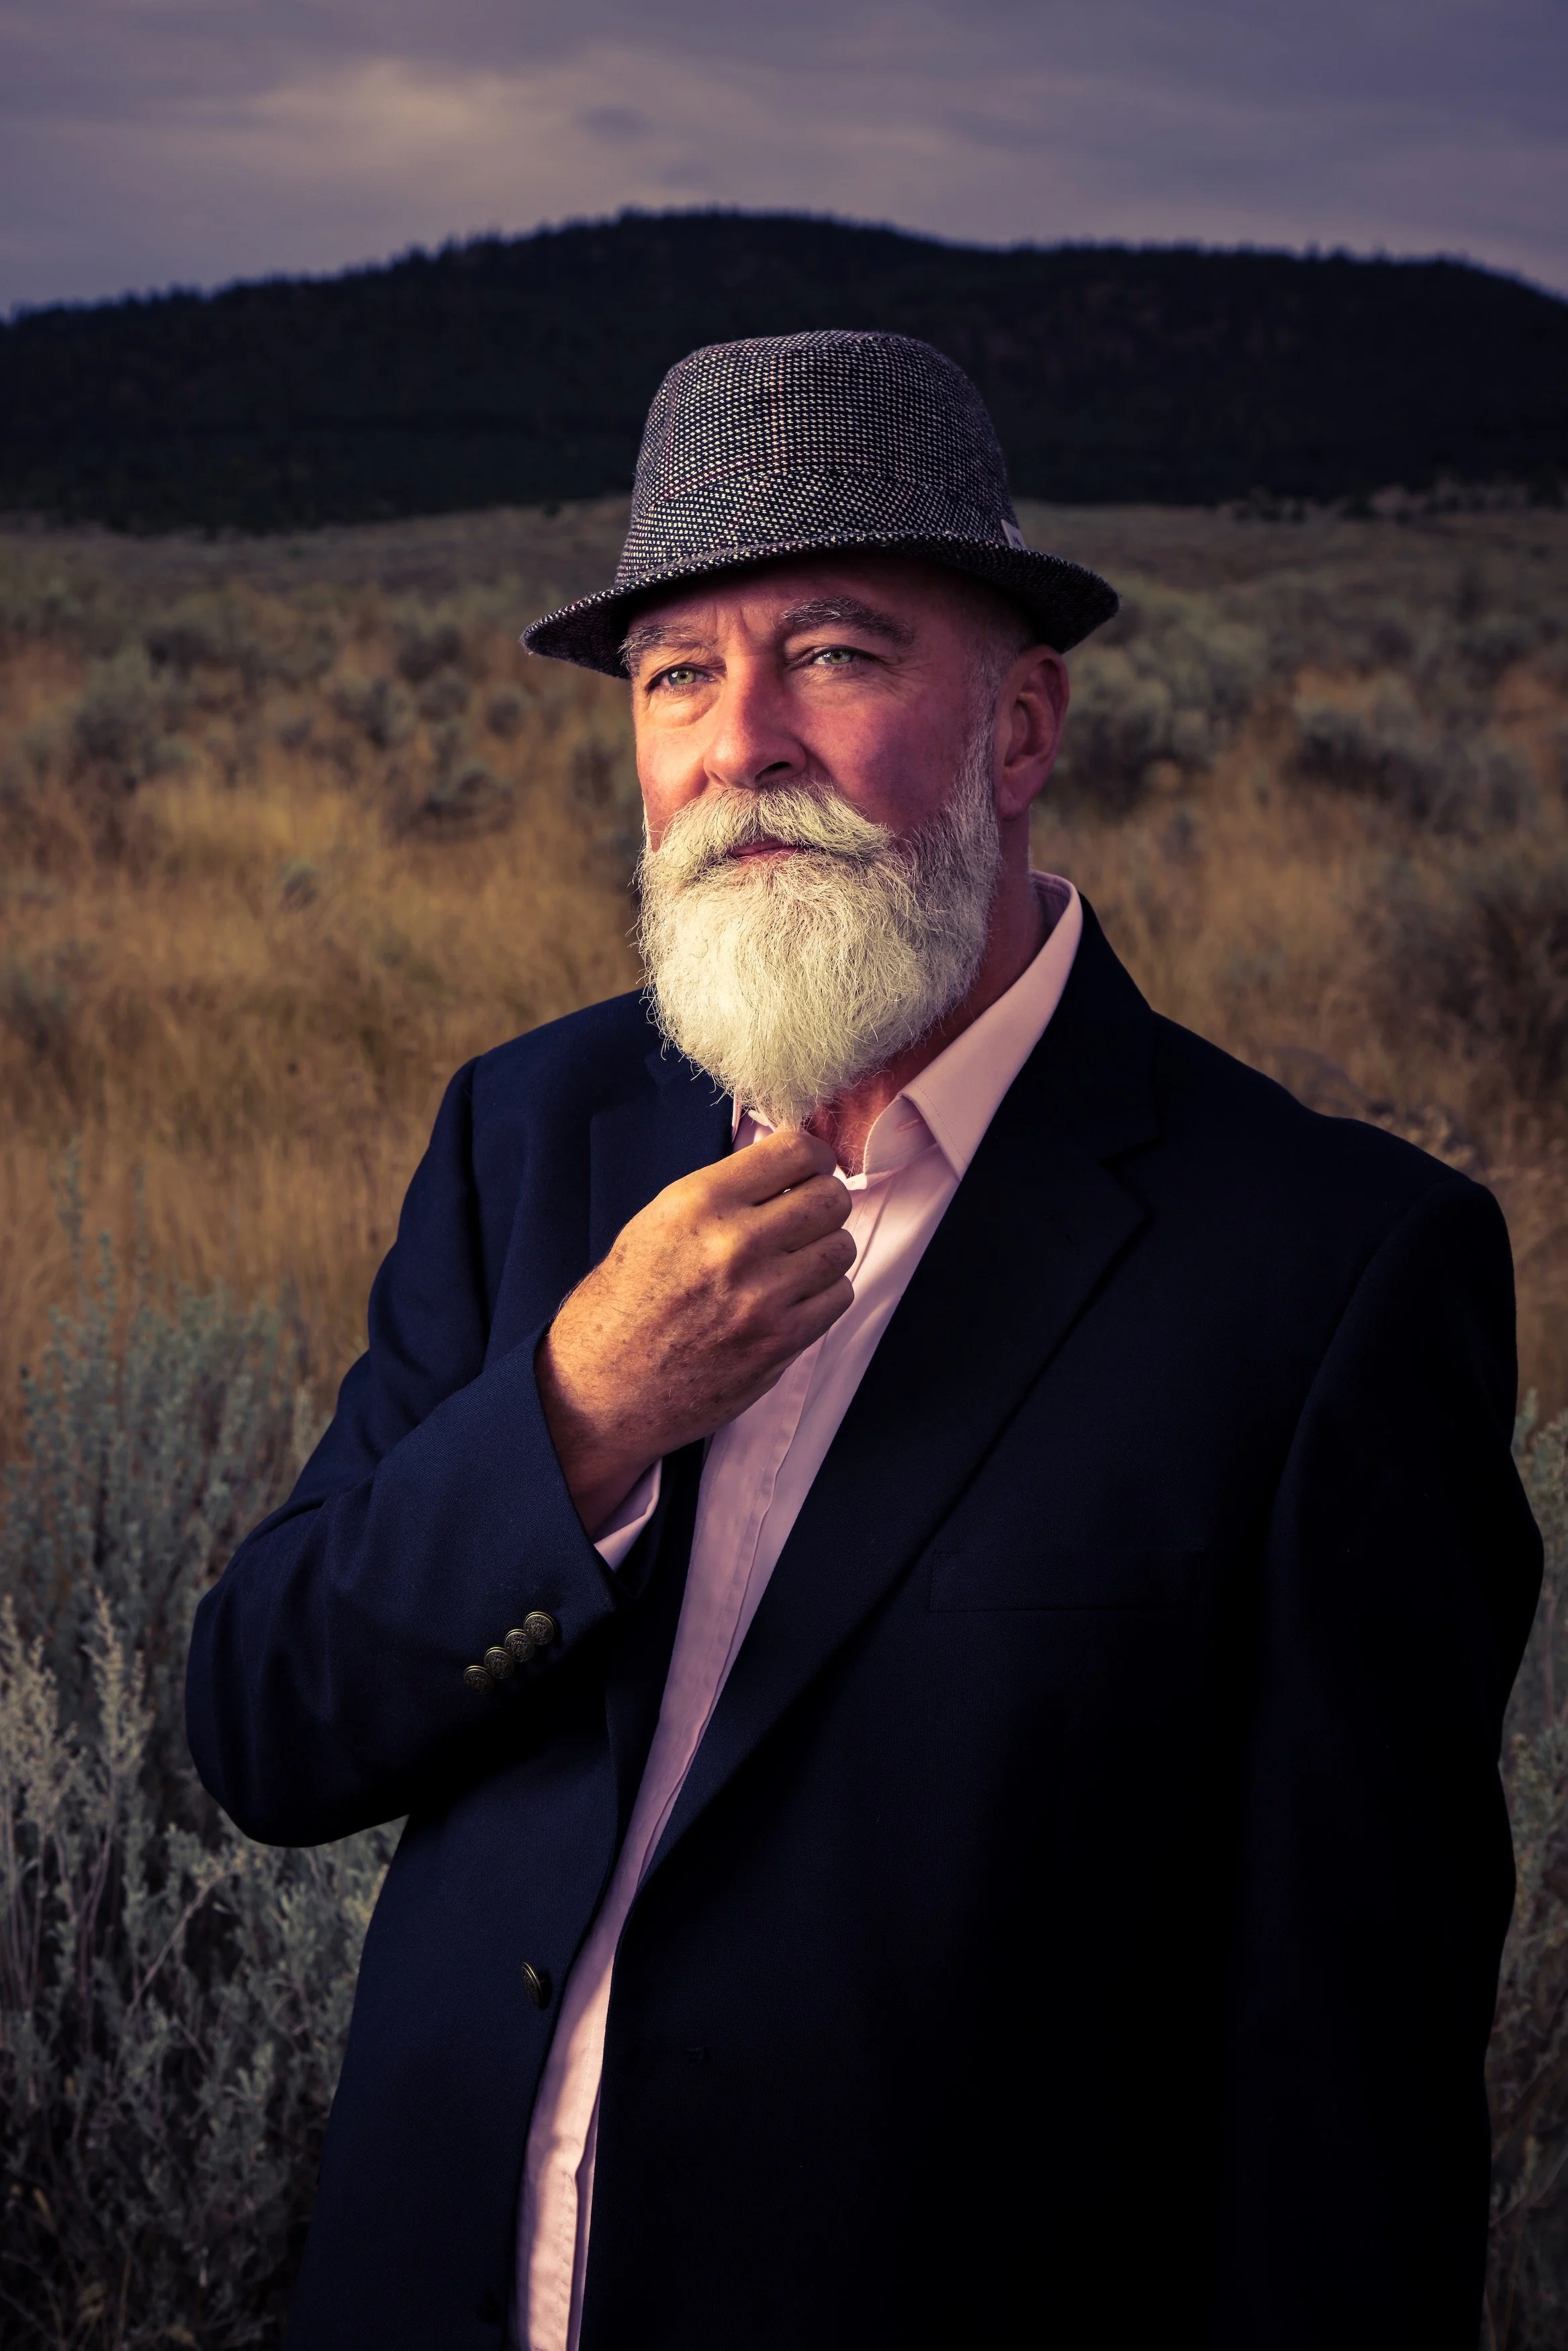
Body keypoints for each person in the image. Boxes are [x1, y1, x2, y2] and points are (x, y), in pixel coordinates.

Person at [187, 330, 1542, 2351]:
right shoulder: (529, 1132)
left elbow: (1338, 2111)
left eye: (830, 653)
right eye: (674, 677)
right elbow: (272, 1723)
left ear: (1015, 727)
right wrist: (571, 1420)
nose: (739, 744)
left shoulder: (1330, 1276)